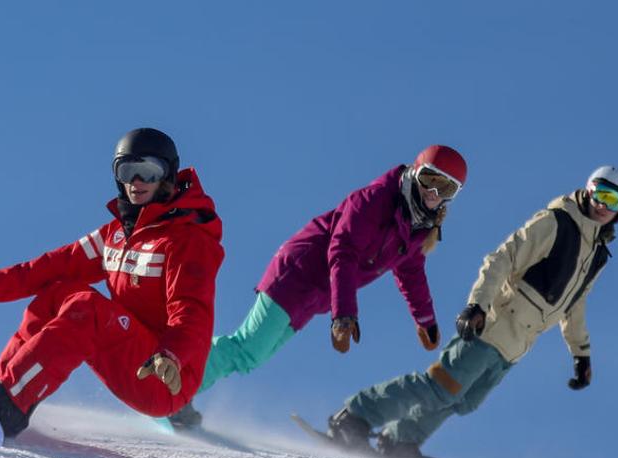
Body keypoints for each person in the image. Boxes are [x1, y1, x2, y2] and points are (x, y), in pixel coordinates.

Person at [326, 165, 618, 458]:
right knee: (439, 386)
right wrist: (478, 305)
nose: (602, 204)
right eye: (600, 193)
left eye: (614, 200)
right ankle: (354, 418)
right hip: (492, 325)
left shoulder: (597, 254)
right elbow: (502, 259)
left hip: (516, 346)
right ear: (588, 189)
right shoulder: (557, 223)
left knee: (463, 401)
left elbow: (574, 304)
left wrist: (580, 354)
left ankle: (400, 440)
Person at [0, 128, 224, 438]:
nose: (136, 182)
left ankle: (10, 403)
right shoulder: (116, 235)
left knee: (89, 308)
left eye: (148, 171)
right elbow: (51, 266)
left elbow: (192, 312)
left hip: (164, 377)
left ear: (168, 175)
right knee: (59, 290)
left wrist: (171, 355)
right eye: (127, 170)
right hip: (132, 350)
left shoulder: (188, 240)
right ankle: (3, 386)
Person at [170, 145, 468, 429]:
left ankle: (178, 381)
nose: (433, 192)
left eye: (446, 188)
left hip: (316, 296)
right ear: (416, 173)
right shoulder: (375, 200)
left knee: (251, 356)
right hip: (297, 274)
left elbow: (411, 272)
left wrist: (425, 320)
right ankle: (174, 386)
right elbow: (343, 252)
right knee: (247, 348)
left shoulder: (417, 226)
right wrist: (344, 315)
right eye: (430, 179)